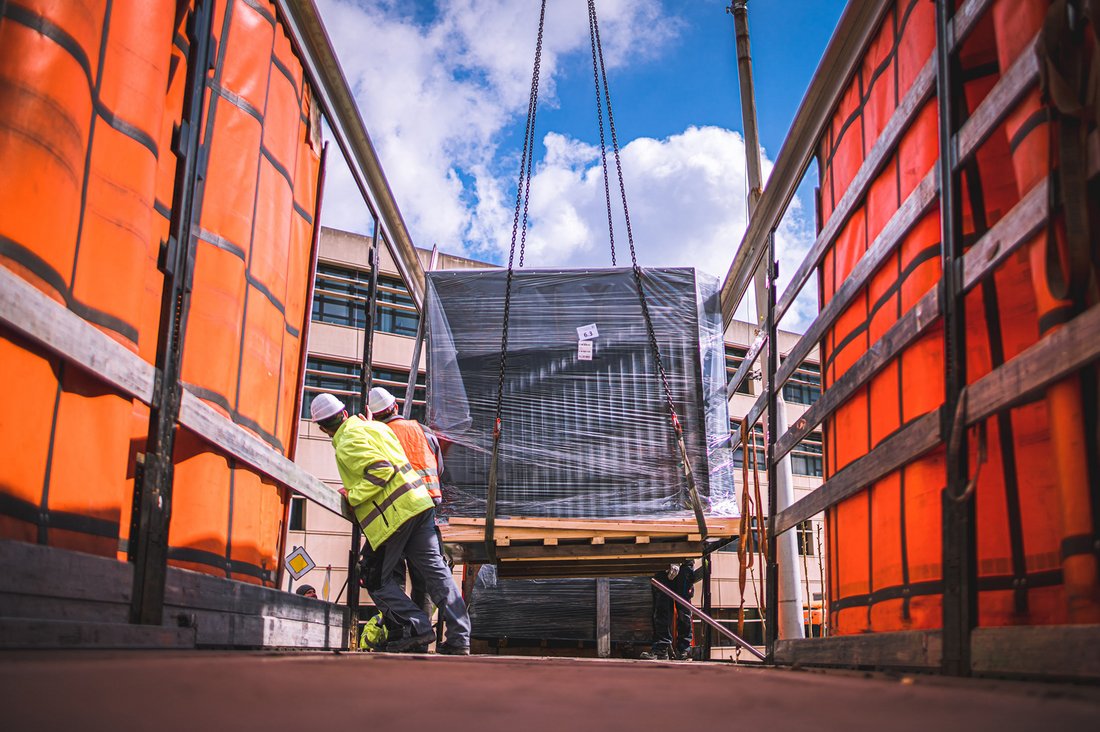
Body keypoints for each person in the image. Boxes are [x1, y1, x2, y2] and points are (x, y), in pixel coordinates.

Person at [309, 392, 471, 655]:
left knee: (373, 577)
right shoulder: (377, 428)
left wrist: (353, 495)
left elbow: (381, 470)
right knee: (436, 574)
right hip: (421, 504)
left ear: (323, 427)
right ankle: (459, 638)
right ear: (345, 413)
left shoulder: (349, 440)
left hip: (396, 516)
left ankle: (417, 626)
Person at [368, 386, 446, 628]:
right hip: (426, 509)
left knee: (389, 575)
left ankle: (405, 630)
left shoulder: (375, 435)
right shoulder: (422, 431)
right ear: (395, 407)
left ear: (374, 414)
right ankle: (423, 638)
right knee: (424, 579)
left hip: (393, 514)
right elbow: (439, 468)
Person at [641, 560, 695, 661]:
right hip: (662, 563)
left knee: (683, 610)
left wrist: (678, 560)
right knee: (661, 609)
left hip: (683, 564)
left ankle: (684, 650)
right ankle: (661, 649)